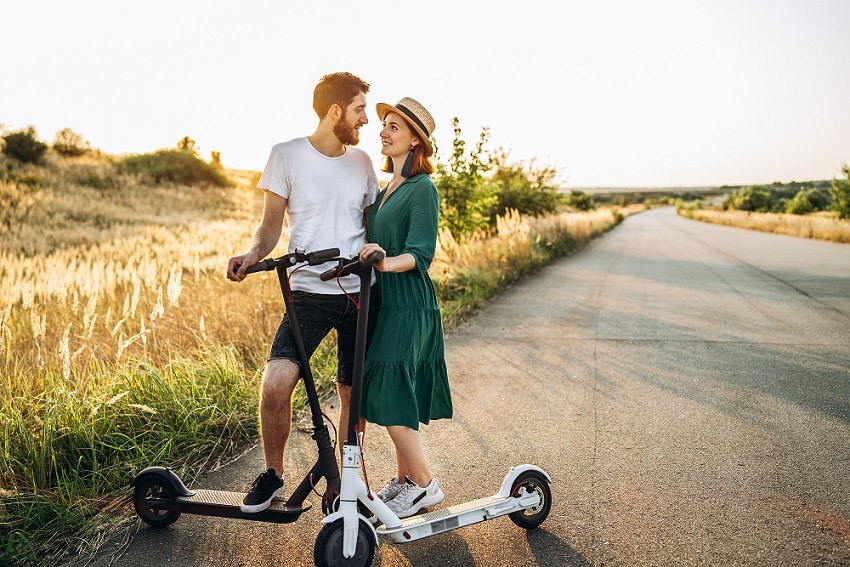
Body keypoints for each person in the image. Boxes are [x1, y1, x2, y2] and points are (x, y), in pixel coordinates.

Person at [226, 72, 380, 513]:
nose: (365, 119)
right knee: (276, 385)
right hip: (308, 294)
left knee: (353, 393)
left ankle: (346, 483)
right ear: (336, 111)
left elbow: (371, 227)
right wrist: (253, 253)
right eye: (359, 109)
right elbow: (270, 225)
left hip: (359, 293)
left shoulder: (363, 163)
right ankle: (273, 476)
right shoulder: (285, 155)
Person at [358, 97, 453, 518]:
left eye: (395, 127)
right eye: (385, 125)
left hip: (411, 303)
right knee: (395, 391)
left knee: (386, 390)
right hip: (388, 303)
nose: (384, 131)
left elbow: (420, 253)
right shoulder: (385, 191)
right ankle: (405, 483)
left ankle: (427, 485)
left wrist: (382, 261)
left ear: (415, 139)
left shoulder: (422, 188)